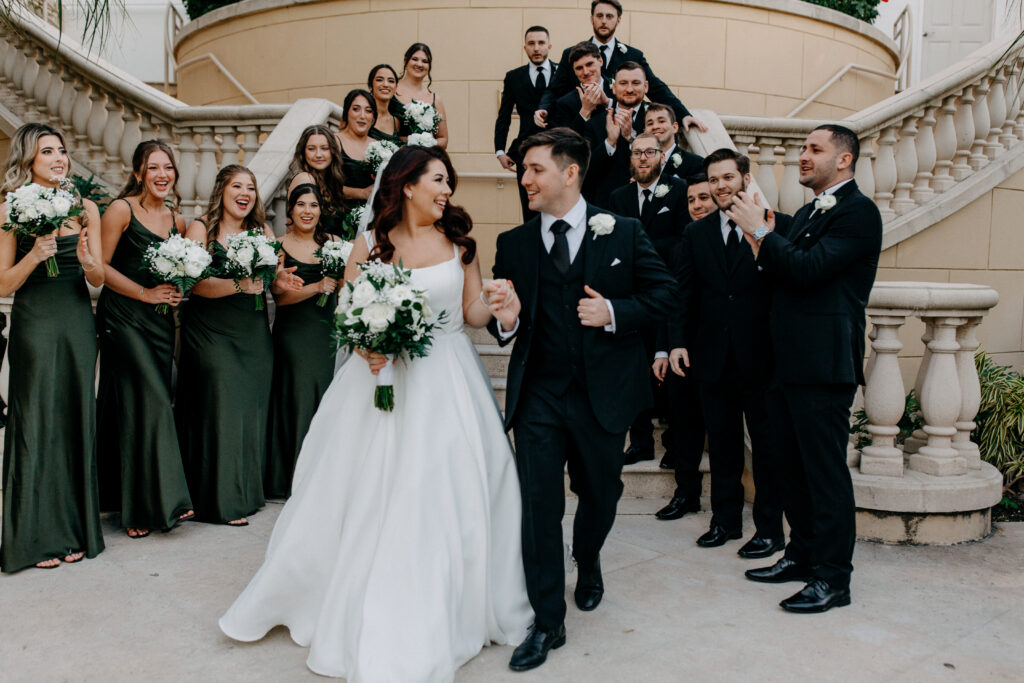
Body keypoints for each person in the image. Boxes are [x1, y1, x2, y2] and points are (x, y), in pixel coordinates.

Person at [219, 145, 533, 681]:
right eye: (439, 180)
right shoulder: (369, 245)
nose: (447, 191)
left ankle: (458, 600)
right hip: (382, 382)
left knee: (451, 490)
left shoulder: (460, 243)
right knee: (368, 491)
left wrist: (503, 307)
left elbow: (470, 313)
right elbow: (349, 312)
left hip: (450, 382)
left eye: (449, 183)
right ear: (408, 185)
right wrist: (367, 346)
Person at [486, 128, 675, 671]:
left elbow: (666, 294)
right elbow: (510, 319)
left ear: (570, 173)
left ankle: (587, 558)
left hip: (603, 397)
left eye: (535, 169)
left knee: (601, 494)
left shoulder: (626, 232)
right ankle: (548, 622)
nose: (524, 179)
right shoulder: (515, 244)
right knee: (538, 508)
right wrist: (508, 320)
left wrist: (614, 313)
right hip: (540, 396)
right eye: (523, 170)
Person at [731, 124, 882, 613]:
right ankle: (800, 555)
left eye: (814, 149)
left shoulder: (860, 213)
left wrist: (761, 231)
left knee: (824, 475)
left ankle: (834, 578)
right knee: (788, 469)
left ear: (844, 160)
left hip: (823, 364)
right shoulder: (807, 213)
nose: (802, 156)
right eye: (802, 148)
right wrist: (764, 237)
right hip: (787, 361)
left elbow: (809, 270)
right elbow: (779, 271)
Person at [665, 148, 785, 558]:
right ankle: (725, 521)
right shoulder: (695, 233)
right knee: (722, 444)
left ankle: (770, 530)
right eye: (713, 180)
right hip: (711, 356)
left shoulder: (773, 225)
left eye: (727, 178)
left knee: (767, 448)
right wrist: (677, 341)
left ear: (745, 179)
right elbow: (684, 293)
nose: (719, 186)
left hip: (762, 357)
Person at [0, 123, 105, 571]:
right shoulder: (9, 210)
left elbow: (99, 278)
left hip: (77, 319)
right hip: (36, 321)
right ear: (28, 160)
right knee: (36, 418)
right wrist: (35, 254)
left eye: (62, 150)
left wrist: (85, 261)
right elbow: (3, 282)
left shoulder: (86, 209)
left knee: (73, 415)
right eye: (48, 152)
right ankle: (35, 536)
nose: (60, 158)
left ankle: (74, 529)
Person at [176, 165, 299, 526]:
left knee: (248, 412)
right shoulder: (202, 228)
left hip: (253, 333)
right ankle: (218, 501)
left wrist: (280, 279)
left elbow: (269, 278)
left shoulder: (260, 230)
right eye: (237, 186)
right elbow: (194, 283)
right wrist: (238, 285)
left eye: (251, 188)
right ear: (222, 190)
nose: (245, 193)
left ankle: (245, 493)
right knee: (221, 408)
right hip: (211, 333)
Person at [96, 140, 194, 539]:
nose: (161, 175)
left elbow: (176, 274)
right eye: (153, 168)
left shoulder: (178, 221)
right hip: (122, 317)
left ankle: (127, 501)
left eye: (167, 168)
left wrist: (173, 289)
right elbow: (100, 268)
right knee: (153, 399)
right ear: (138, 173)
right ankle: (159, 504)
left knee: (134, 406)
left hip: (157, 323)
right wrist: (144, 293)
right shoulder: (121, 210)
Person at [608, 133, 689, 465]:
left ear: (661, 157)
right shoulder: (619, 196)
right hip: (631, 296)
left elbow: (683, 238)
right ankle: (640, 442)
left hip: (666, 291)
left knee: (668, 370)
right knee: (633, 371)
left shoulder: (678, 190)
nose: (643, 158)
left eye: (650, 152)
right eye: (637, 152)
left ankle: (673, 446)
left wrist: (643, 254)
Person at [264, 184, 341, 499]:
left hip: (326, 333)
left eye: (313, 205)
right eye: (301, 205)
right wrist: (317, 287)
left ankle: (321, 477)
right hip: (293, 335)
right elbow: (279, 298)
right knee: (295, 400)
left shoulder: (334, 244)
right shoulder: (279, 246)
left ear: (320, 211)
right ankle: (292, 479)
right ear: (291, 211)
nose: (308, 211)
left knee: (323, 400)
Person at [535, 1, 704, 133]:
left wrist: (683, 114)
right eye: (599, 15)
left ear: (618, 20)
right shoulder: (571, 54)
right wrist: (543, 108)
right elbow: (554, 89)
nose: (603, 21)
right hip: (583, 130)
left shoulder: (633, 55)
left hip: (622, 131)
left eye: (609, 16)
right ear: (591, 18)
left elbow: (655, 87)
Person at [650, 173, 714, 519]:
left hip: (720, 351)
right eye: (691, 200)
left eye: (704, 198)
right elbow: (669, 300)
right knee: (684, 430)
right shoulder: (681, 244)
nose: (697, 206)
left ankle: (724, 506)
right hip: (681, 352)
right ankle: (685, 494)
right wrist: (663, 348)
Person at [495, 25, 558, 222]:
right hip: (525, 153)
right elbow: (504, 116)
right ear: (525, 48)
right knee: (530, 213)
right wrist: (500, 150)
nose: (536, 48)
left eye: (541, 43)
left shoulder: (561, 74)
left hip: (556, 152)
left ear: (549, 46)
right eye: (531, 43)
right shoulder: (514, 77)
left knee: (556, 210)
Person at [580, 61, 650, 207]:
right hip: (606, 206)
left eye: (636, 83)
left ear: (646, 86)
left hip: (646, 206)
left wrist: (632, 138)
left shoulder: (658, 121)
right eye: (623, 83)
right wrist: (610, 142)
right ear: (613, 87)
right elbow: (586, 170)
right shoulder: (594, 124)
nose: (629, 89)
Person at [287, 124, 347, 238]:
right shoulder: (305, 179)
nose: (318, 155)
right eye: (311, 149)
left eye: (324, 148)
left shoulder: (330, 180)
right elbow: (295, 230)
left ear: (333, 151)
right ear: (303, 153)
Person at [395, 43, 449, 149]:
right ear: (406, 61)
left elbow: (443, 139)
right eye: (415, 59)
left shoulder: (435, 99)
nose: (419, 64)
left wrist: (428, 142)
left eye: (425, 61)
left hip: (426, 159)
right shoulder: (392, 91)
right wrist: (411, 140)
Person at [335, 89, 377, 222]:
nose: (362, 116)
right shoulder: (334, 141)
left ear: (373, 117)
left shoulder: (379, 146)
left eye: (368, 111)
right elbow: (323, 185)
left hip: (372, 218)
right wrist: (362, 193)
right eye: (356, 109)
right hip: (340, 216)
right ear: (347, 112)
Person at [644, 103, 704, 180]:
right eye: (650, 123)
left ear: (675, 127)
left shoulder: (696, 164)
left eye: (661, 121)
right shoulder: (638, 163)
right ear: (645, 132)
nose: (655, 127)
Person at [367, 64, 404, 145]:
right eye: (379, 80)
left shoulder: (396, 122)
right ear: (370, 85)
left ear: (396, 87)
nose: (386, 85)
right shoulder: (363, 116)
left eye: (391, 81)